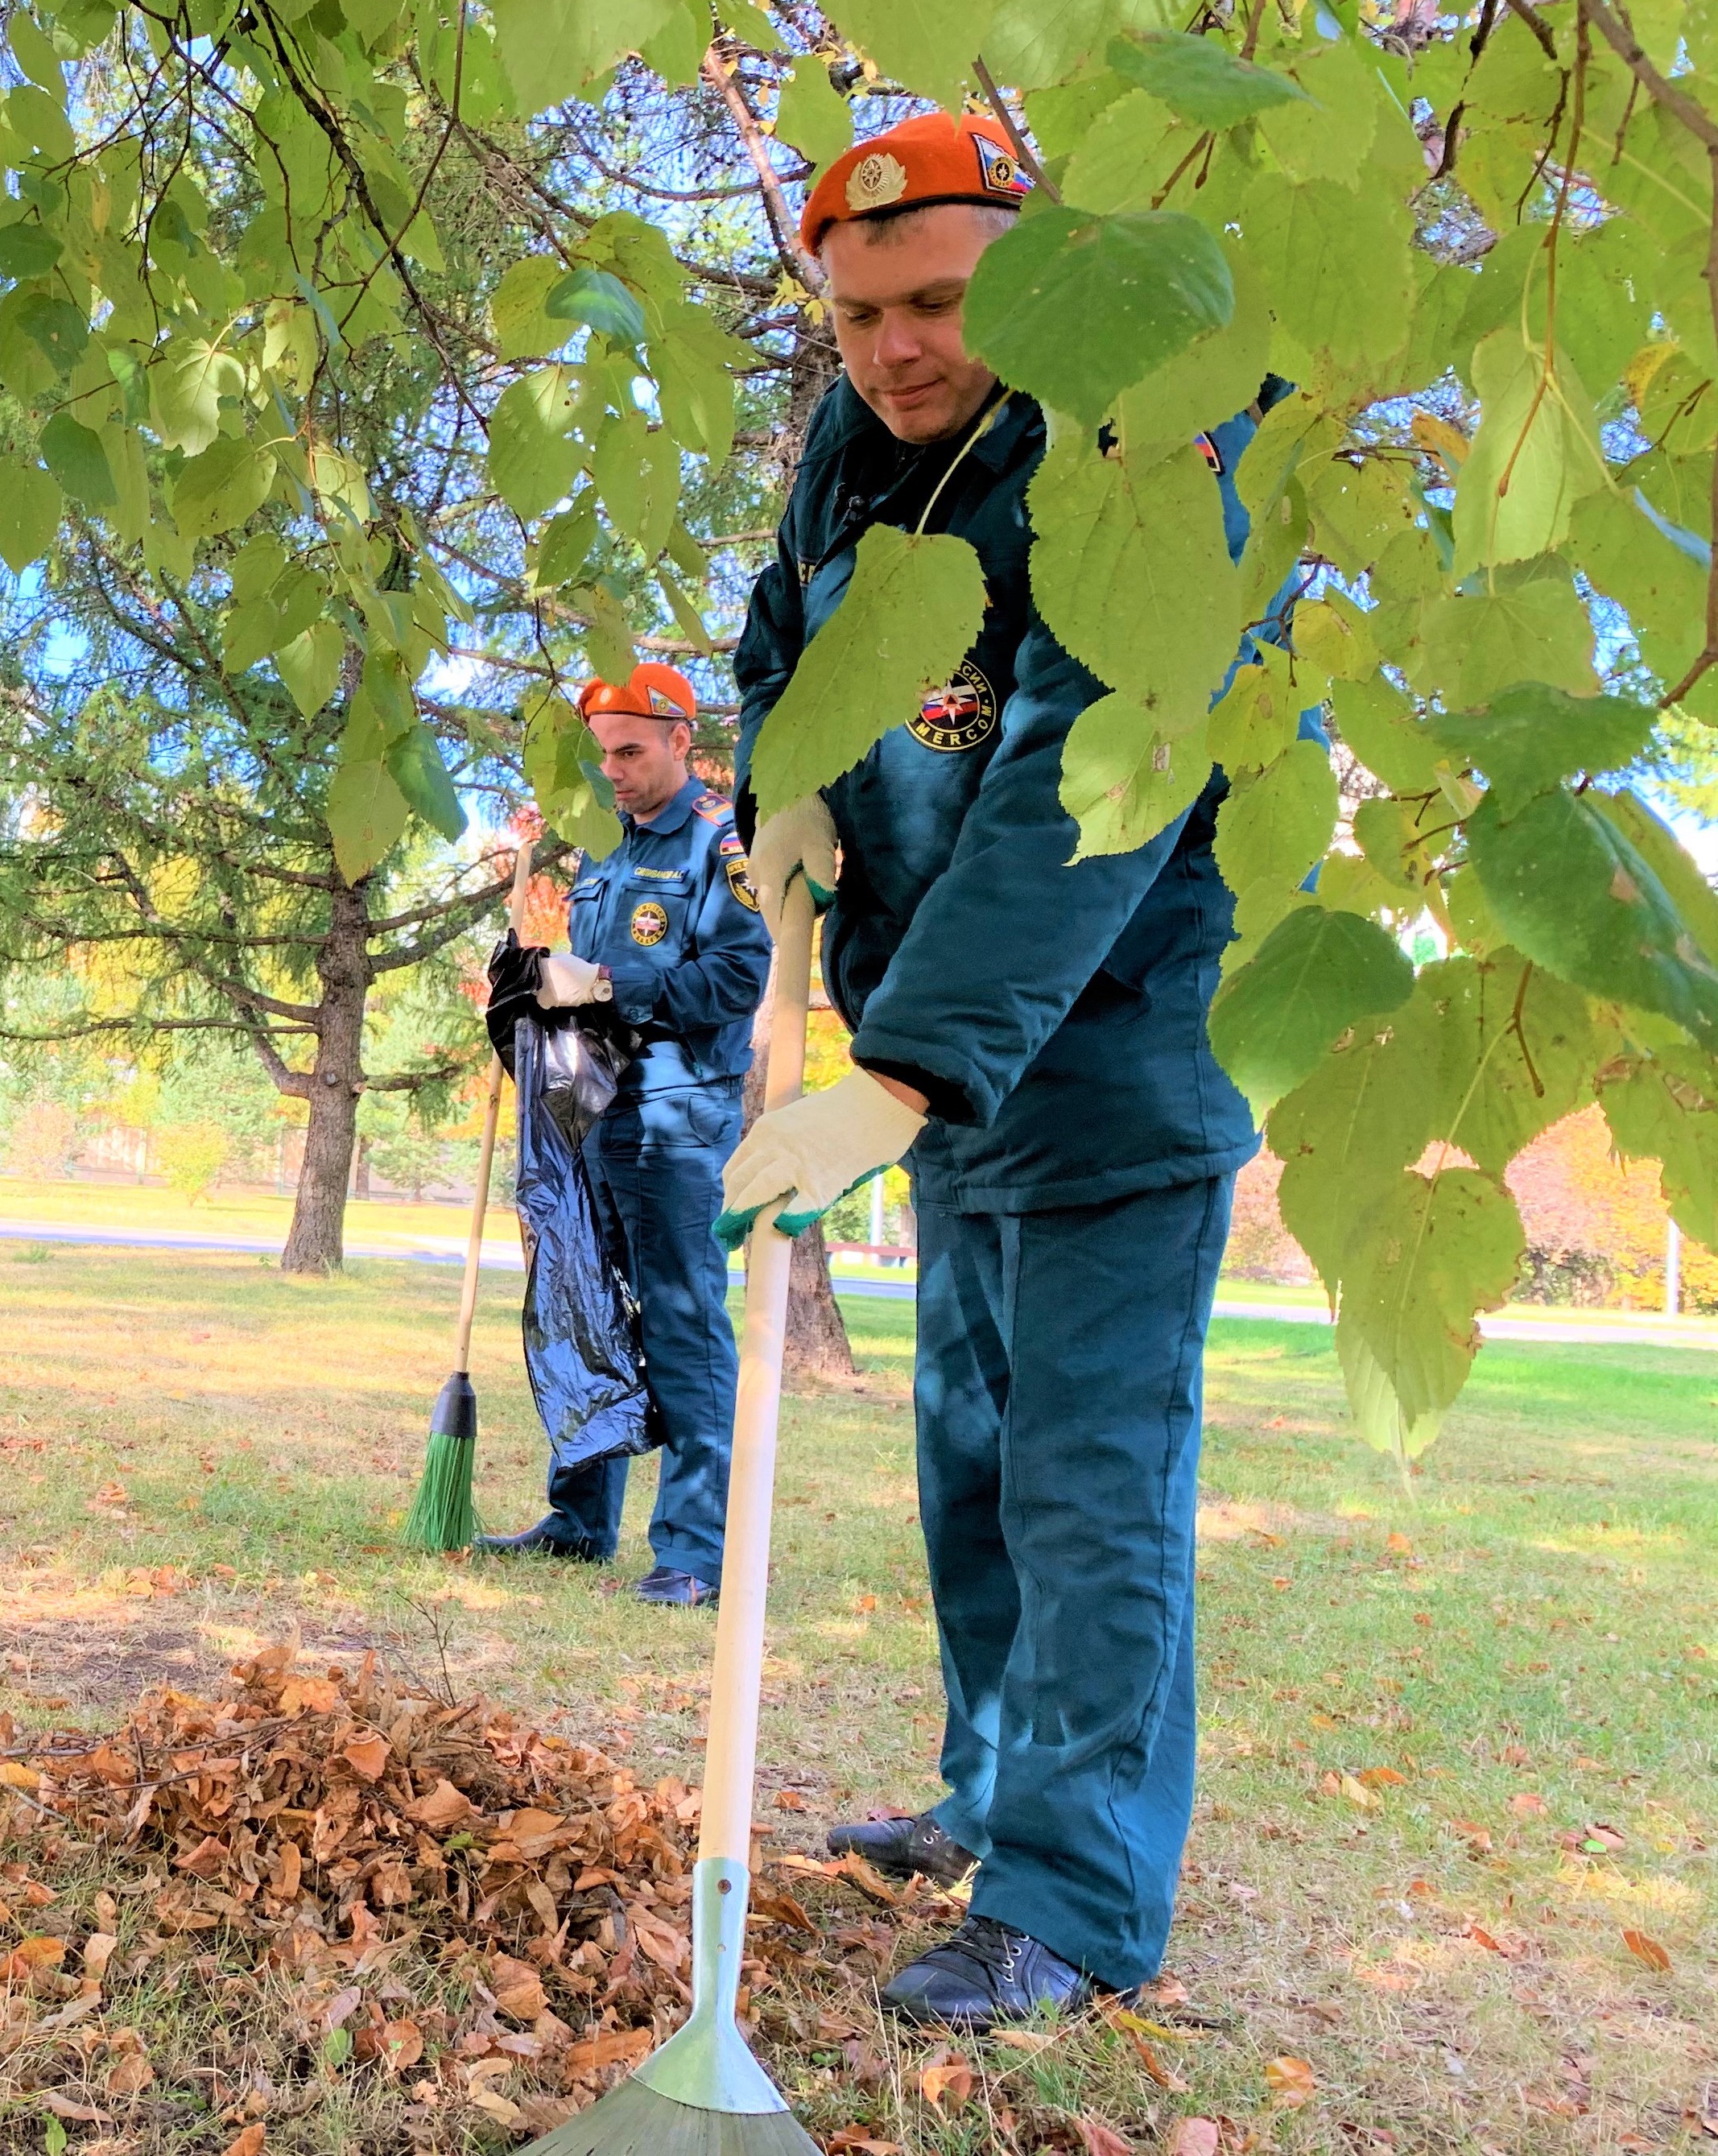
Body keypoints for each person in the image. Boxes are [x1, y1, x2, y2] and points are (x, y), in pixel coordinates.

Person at [717, 112, 1281, 2028]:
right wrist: (771, 778)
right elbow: (786, 637)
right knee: (969, 1466)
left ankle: (1073, 1898)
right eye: (858, 309)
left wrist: (901, 1074)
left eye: (941, 300)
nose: (894, 346)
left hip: (1107, 1064)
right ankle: (985, 1794)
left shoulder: (1138, 447)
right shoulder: (856, 443)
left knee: (1085, 1490)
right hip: (934, 1070)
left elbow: (1088, 783)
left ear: (1032, 280)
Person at [477, 662, 770, 1607]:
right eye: (604, 754)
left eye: (632, 751)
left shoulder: (722, 845)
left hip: (677, 1112)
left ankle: (691, 1552)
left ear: (683, 741)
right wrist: (532, 981)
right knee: (582, 1300)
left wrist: (604, 988)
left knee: (681, 1320)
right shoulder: (605, 849)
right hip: (588, 1104)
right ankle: (578, 1519)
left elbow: (735, 980)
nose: (614, 769)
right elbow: (581, 968)